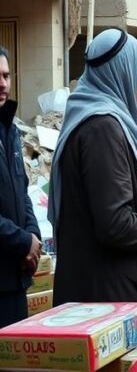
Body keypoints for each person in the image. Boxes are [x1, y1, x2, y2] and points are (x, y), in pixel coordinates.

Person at [49, 29, 137, 316]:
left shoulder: (99, 120)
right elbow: (115, 224)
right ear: (120, 71)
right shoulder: (103, 129)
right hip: (110, 300)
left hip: (108, 293)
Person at [0, 48, 40, 328]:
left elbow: (23, 192)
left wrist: (33, 236)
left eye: (5, 76)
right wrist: (23, 242)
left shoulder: (11, 131)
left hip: (15, 279)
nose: (2, 84)